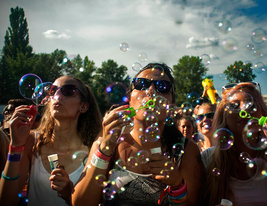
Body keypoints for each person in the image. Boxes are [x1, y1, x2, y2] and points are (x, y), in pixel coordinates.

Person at [72, 63, 203, 206]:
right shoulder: (107, 141)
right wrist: (104, 150)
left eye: (163, 86)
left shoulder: (186, 151)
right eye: (142, 84)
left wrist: (177, 185)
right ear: (129, 98)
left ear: (171, 103)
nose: (151, 91)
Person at [0, 76, 102, 206]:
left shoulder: (94, 150)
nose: (57, 95)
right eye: (53, 91)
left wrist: (69, 194)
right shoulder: (32, 141)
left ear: (83, 106)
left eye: (68, 91)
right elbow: (5, 201)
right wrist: (16, 146)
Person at [200, 82, 267, 206]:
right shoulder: (208, 159)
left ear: (263, 114)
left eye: (252, 104)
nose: (244, 108)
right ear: (224, 116)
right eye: (234, 105)